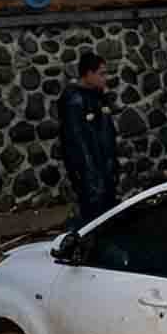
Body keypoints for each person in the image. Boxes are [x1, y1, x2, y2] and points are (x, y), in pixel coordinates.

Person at [58, 51, 119, 228]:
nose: (105, 78)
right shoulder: (74, 101)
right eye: (101, 73)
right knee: (93, 222)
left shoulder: (99, 97)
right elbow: (76, 143)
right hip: (91, 177)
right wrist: (90, 179)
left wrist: (112, 168)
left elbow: (108, 135)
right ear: (89, 74)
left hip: (105, 173)